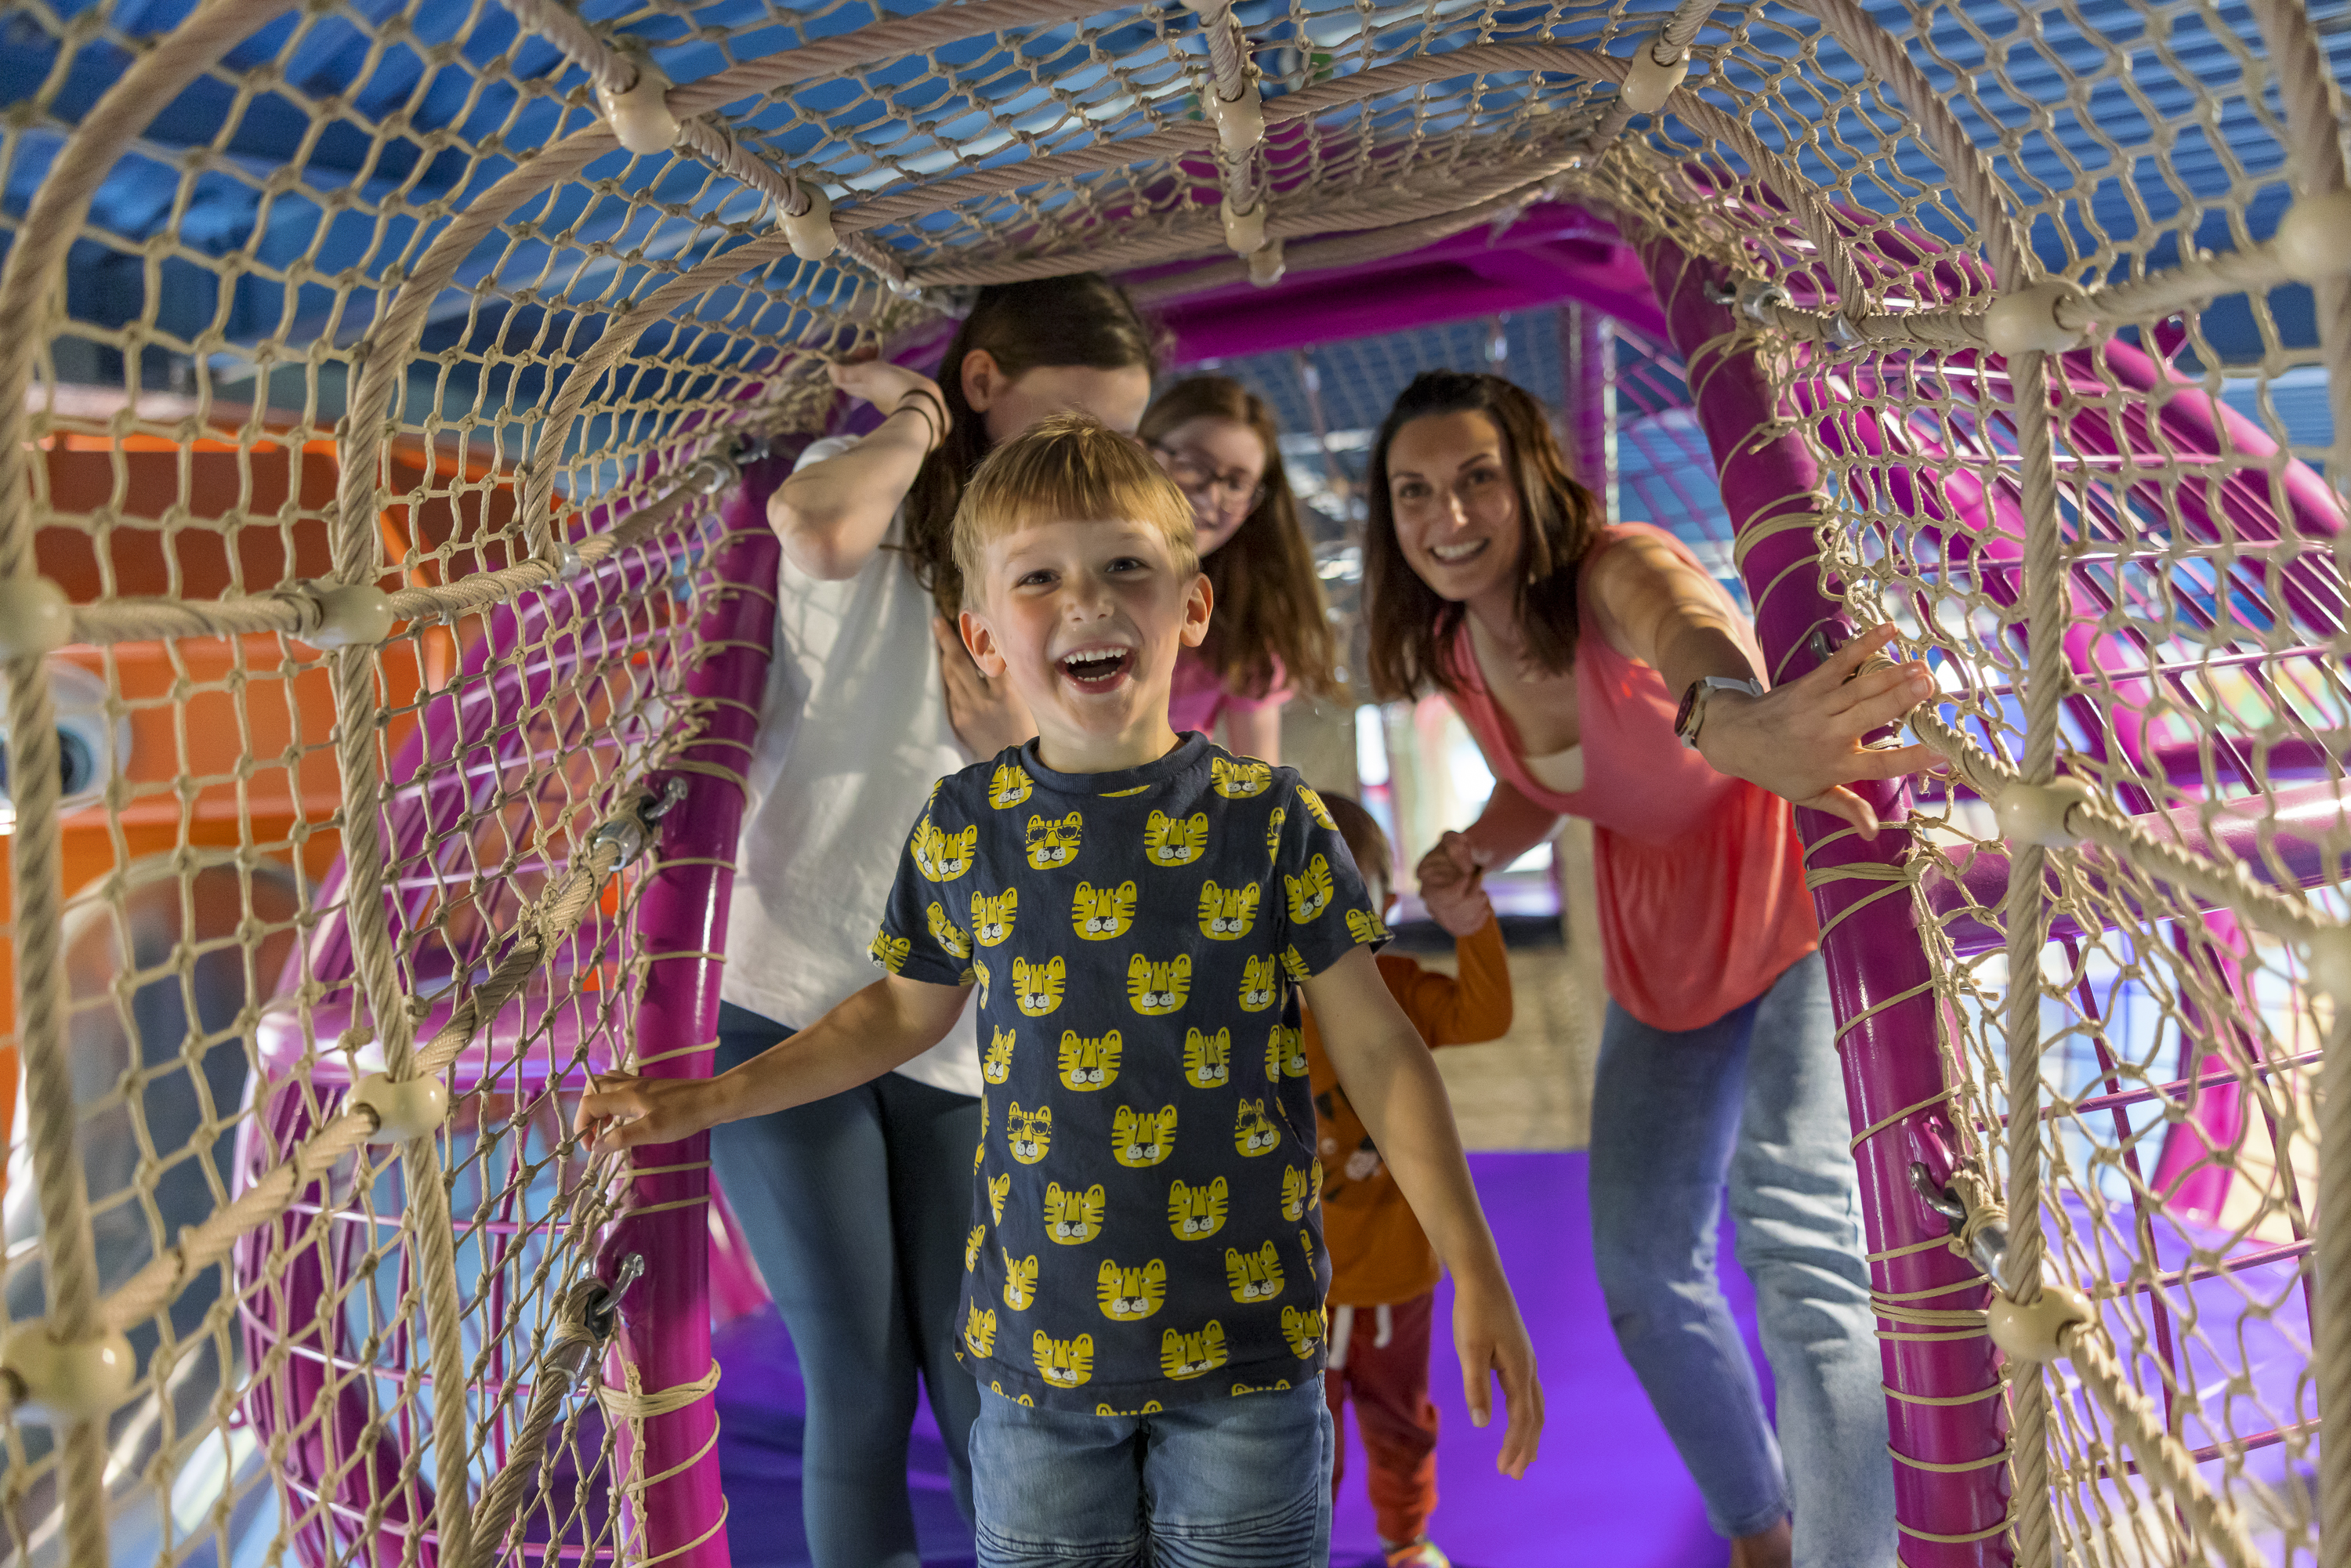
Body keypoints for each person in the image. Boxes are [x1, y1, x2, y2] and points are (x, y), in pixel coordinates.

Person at [586, 413, 1543, 1568]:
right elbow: (897, 1012)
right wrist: (705, 1097)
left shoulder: (1271, 821)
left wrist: (1477, 1267)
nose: (1087, 601)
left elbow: (1384, 1051)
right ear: (984, 637)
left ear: (1188, 609)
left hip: (1244, 1357)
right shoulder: (965, 828)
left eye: (1125, 569)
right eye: (1040, 579)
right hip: (1041, 1370)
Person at [1360, 370, 1934, 1568]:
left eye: (1476, 477)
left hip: (1790, 904)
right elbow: (1549, 777)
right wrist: (1475, 849)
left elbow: (1686, 624)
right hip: (1656, 942)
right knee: (1640, 1266)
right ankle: (1762, 1528)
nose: (1447, 513)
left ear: (1532, 479)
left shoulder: (1611, 567)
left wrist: (1733, 713)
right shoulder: (1464, 645)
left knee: (1797, 1239)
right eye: (1414, 492)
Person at [713, 275, 1156, 1568]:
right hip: (789, 984)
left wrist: (1024, 738)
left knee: (983, 1369)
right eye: (1066, 420)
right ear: (983, 383)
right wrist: (910, 419)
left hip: (956, 1020)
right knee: (858, 1373)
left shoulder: (1055, 566)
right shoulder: (880, 485)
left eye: (1109, 441)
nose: (1082, 461)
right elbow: (816, 528)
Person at [1303, 792, 1513, 1568]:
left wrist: (1473, 929)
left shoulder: (1397, 991)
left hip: (1398, 1276)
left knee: (1401, 1421)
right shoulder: (1257, 1007)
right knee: (1300, 1431)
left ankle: (1406, 1537)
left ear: (1383, 903)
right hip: (1300, 1285)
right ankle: (1303, 1543)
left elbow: (1482, 1016)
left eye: (1346, 895)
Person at [1139, 375, 1339, 762]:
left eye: (1235, 483)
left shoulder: (1244, 626)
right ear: (1138, 454)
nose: (1209, 497)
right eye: (1193, 466)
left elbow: (1261, 777)